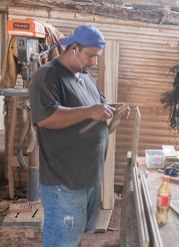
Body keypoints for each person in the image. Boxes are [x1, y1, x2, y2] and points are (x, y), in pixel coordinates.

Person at [30, 24, 115, 247]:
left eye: (97, 57)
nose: (94, 62)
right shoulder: (48, 76)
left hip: (87, 176)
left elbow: (98, 108)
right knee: (61, 238)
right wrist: (90, 111)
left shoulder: (84, 76)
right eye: (91, 56)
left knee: (73, 236)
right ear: (74, 48)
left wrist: (112, 113)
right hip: (63, 180)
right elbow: (45, 117)